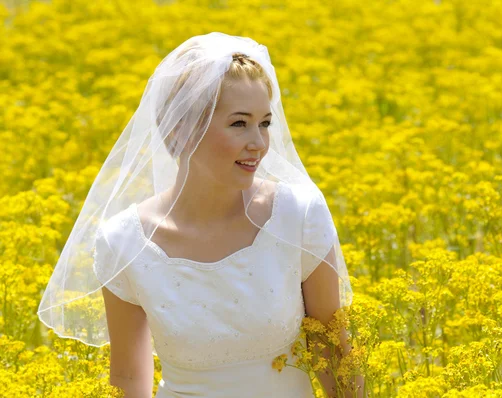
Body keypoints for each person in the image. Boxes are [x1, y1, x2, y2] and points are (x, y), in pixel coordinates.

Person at [37, 33, 355, 397]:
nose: (259, 143)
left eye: (265, 123)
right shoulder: (124, 241)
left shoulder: (297, 216)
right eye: (239, 123)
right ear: (182, 131)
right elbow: (127, 377)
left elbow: (332, 351)